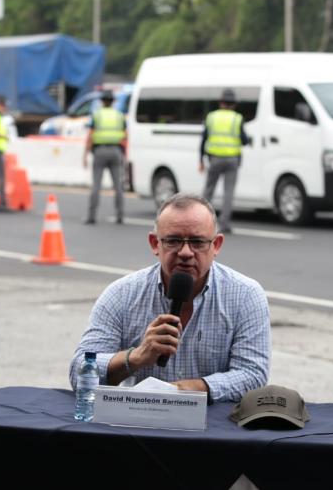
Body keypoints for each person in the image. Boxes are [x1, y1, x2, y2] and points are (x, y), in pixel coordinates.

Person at [70, 193, 270, 402]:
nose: (185, 252)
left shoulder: (245, 295)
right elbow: (79, 372)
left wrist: (187, 390)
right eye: (173, 241)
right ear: (155, 243)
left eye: (197, 242)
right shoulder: (121, 294)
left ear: (216, 245)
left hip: (213, 420)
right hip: (139, 417)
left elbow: (253, 375)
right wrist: (136, 357)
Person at [200, 88, 249, 234]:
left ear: (220, 102)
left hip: (214, 158)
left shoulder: (211, 117)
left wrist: (200, 160)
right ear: (233, 104)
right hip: (232, 160)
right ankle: (224, 224)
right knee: (228, 192)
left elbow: (203, 139)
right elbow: (244, 140)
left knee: (208, 191)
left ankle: (202, 222)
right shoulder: (237, 118)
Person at [83, 89, 126, 225]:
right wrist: (124, 154)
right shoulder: (119, 115)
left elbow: (90, 135)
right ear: (113, 102)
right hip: (116, 151)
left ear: (102, 101)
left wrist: (85, 154)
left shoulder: (97, 115)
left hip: (100, 151)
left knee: (96, 185)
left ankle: (91, 216)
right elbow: (125, 136)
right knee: (118, 186)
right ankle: (120, 215)